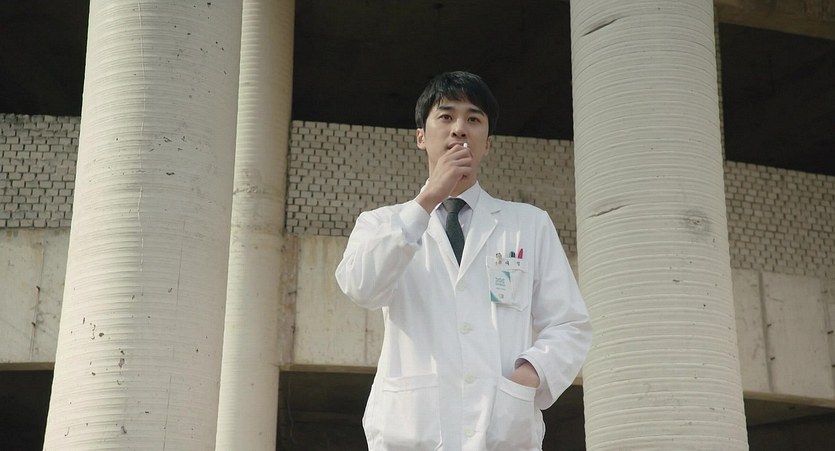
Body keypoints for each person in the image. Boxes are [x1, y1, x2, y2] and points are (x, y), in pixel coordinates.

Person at [335, 71, 591, 450]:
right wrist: (426, 203)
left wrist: (529, 375)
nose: (459, 129)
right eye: (446, 116)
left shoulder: (528, 224)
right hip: (413, 431)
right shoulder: (382, 223)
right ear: (421, 137)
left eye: (473, 119)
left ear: (487, 143)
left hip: (501, 430)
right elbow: (362, 287)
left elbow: (569, 324)